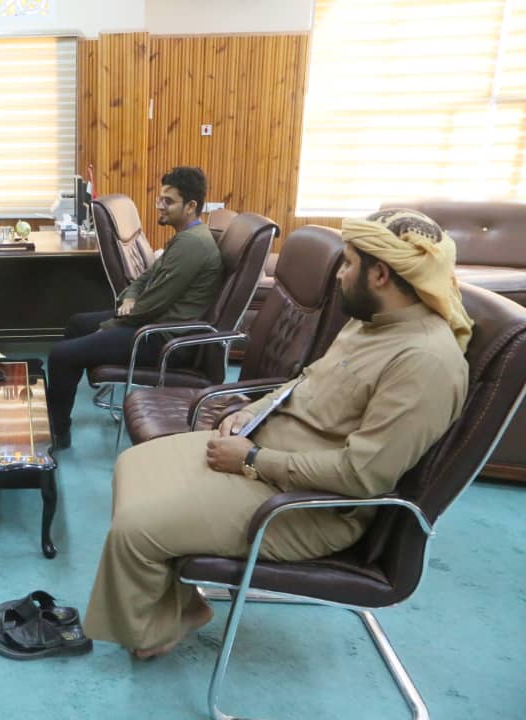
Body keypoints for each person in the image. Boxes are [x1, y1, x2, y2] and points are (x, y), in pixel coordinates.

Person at [83, 208, 472, 659]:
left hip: (307, 508)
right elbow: (306, 380)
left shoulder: (425, 362)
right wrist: (250, 412)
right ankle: (180, 605)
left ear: (381, 274)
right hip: (269, 457)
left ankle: (154, 631)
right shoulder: (371, 321)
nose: (340, 275)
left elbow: (362, 476)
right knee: (135, 463)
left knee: (135, 529)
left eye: (348, 264)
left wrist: (251, 460)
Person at [46, 166, 222, 448]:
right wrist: (128, 297)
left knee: (60, 355)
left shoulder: (193, 245)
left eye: (168, 201)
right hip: (152, 323)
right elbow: (145, 278)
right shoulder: (186, 236)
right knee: (78, 322)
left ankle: (59, 433)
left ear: (191, 206)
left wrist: (109, 327)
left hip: (164, 339)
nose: (160, 206)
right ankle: (58, 413)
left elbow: (155, 302)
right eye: (160, 199)